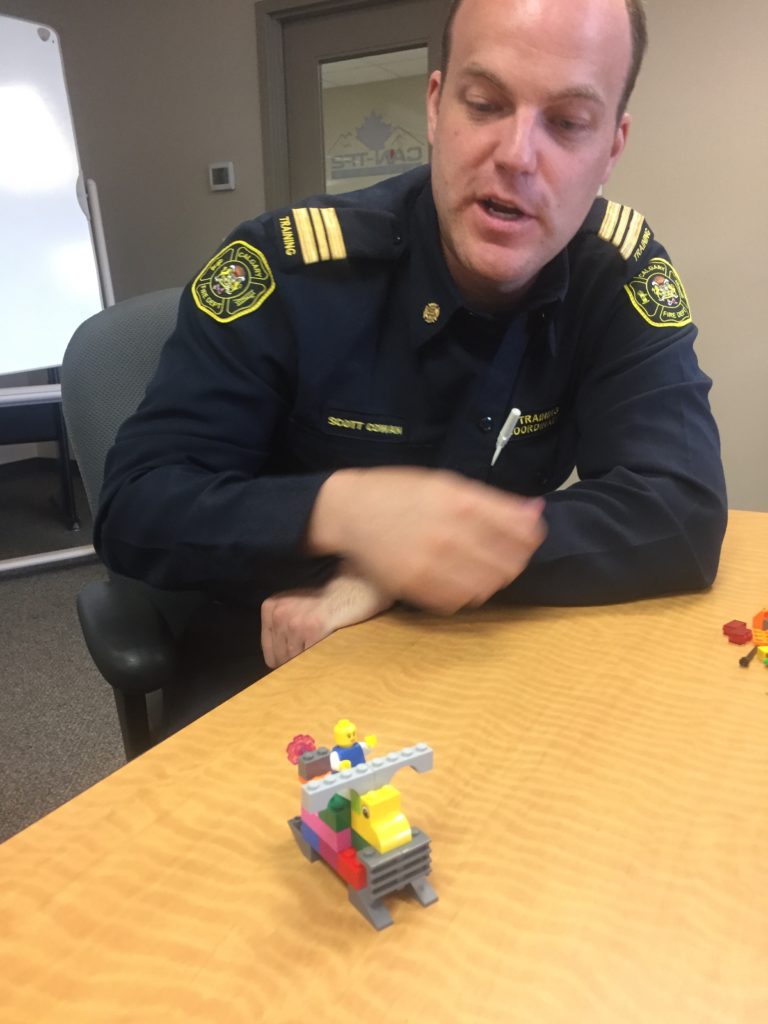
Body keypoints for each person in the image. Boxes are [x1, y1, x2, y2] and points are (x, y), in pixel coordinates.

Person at [95, 0, 727, 673]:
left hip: (469, 655)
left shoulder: (614, 272)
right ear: (434, 107)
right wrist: (345, 511)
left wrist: (404, 570)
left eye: (568, 123)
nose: (517, 156)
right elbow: (136, 506)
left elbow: (681, 511)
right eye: (484, 104)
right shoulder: (288, 269)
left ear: (611, 149)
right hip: (278, 658)